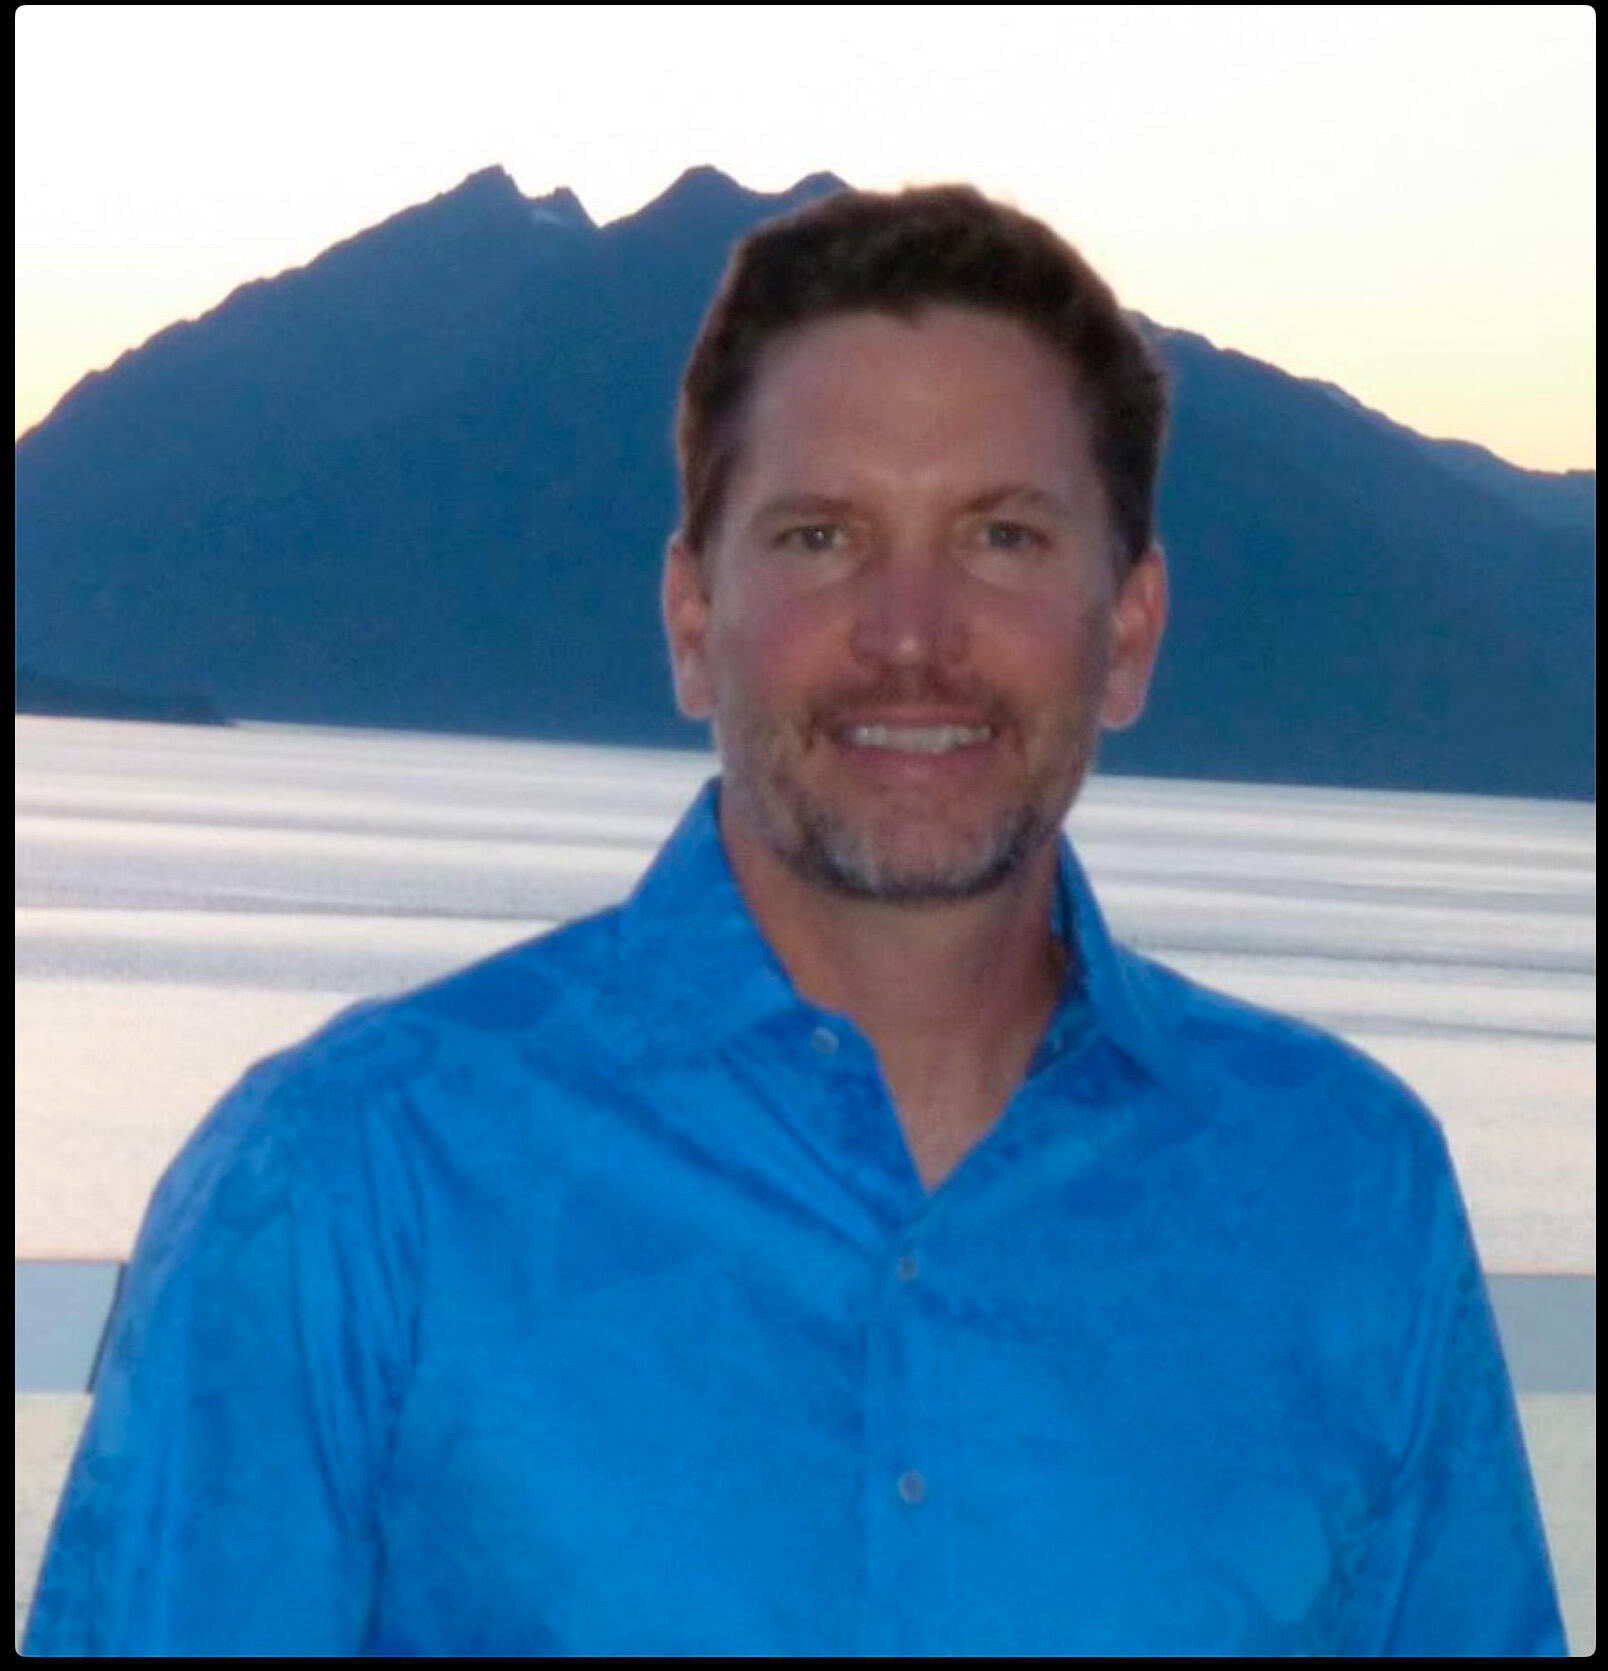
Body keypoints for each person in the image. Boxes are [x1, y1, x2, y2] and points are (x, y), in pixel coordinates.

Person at [24, 185, 1564, 1656]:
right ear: (695, 620)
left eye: (1003, 537)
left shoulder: (1345, 1192)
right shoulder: (352, 1183)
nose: (912, 636)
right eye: (823, 536)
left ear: (1129, 633)